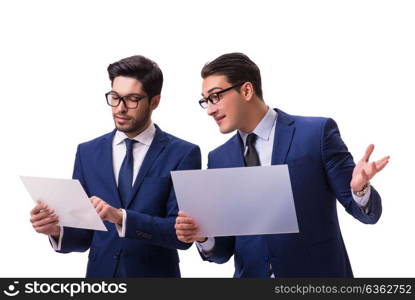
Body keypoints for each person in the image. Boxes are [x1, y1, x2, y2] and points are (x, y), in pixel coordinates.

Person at [175, 52, 389, 277]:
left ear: (247, 90)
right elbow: (223, 251)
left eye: (215, 96)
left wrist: (359, 190)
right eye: (205, 101)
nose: (210, 109)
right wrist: (202, 235)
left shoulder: (315, 134)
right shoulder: (219, 158)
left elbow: (367, 215)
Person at [30, 55, 201, 277]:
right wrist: (55, 230)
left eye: (132, 99)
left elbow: (181, 235)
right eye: (114, 97)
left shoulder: (183, 153)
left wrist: (121, 217)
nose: (120, 108)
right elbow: (83, 237)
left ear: (155, 101)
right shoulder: (87, 152)